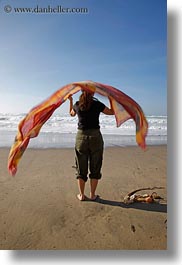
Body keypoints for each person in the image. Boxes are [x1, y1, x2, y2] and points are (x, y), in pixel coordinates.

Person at [68, 90, 114, 201]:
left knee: (81, 166)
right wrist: (111, 99)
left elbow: (71, 113)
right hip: (95, 137)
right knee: (95, 165)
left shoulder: (77, 104)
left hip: (81, 138)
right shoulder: (97, 104)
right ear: (93, 93)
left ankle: (82, 195)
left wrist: (71, 101)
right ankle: (92, 195)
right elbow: (111, 112)